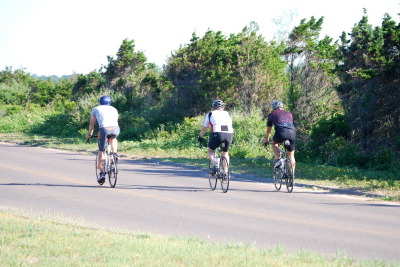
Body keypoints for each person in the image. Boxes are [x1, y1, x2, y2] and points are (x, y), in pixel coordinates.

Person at [87, 96, 120, 184]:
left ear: (100, 102)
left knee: (101, 151)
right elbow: (115, 121)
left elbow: (92, 124)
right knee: (113, 138)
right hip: (116, 129)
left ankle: (102, 174)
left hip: (104, 129)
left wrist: (90, 134)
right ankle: (115, 154)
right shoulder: (114, 109)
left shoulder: (96, 109)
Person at [197, 100, 234, 173]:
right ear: (222, 107)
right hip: (229, 134)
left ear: (213, 107)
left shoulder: (210, 114)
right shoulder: (227, 114)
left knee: (211, 150)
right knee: (225, 152)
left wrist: (200, 137)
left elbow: (204, 128)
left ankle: (216, 164)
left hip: (217, 134)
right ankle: (225, 173)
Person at [264, 100, 296, 175]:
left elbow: (269, 129)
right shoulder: (289, 113)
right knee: (291, 154)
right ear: (282, 107)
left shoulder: (272, 114)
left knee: (274, 143)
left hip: (281, 132)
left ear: (273, 107)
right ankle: (292, 175)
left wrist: (267, 139)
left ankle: (278, 159)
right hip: (292, 132)